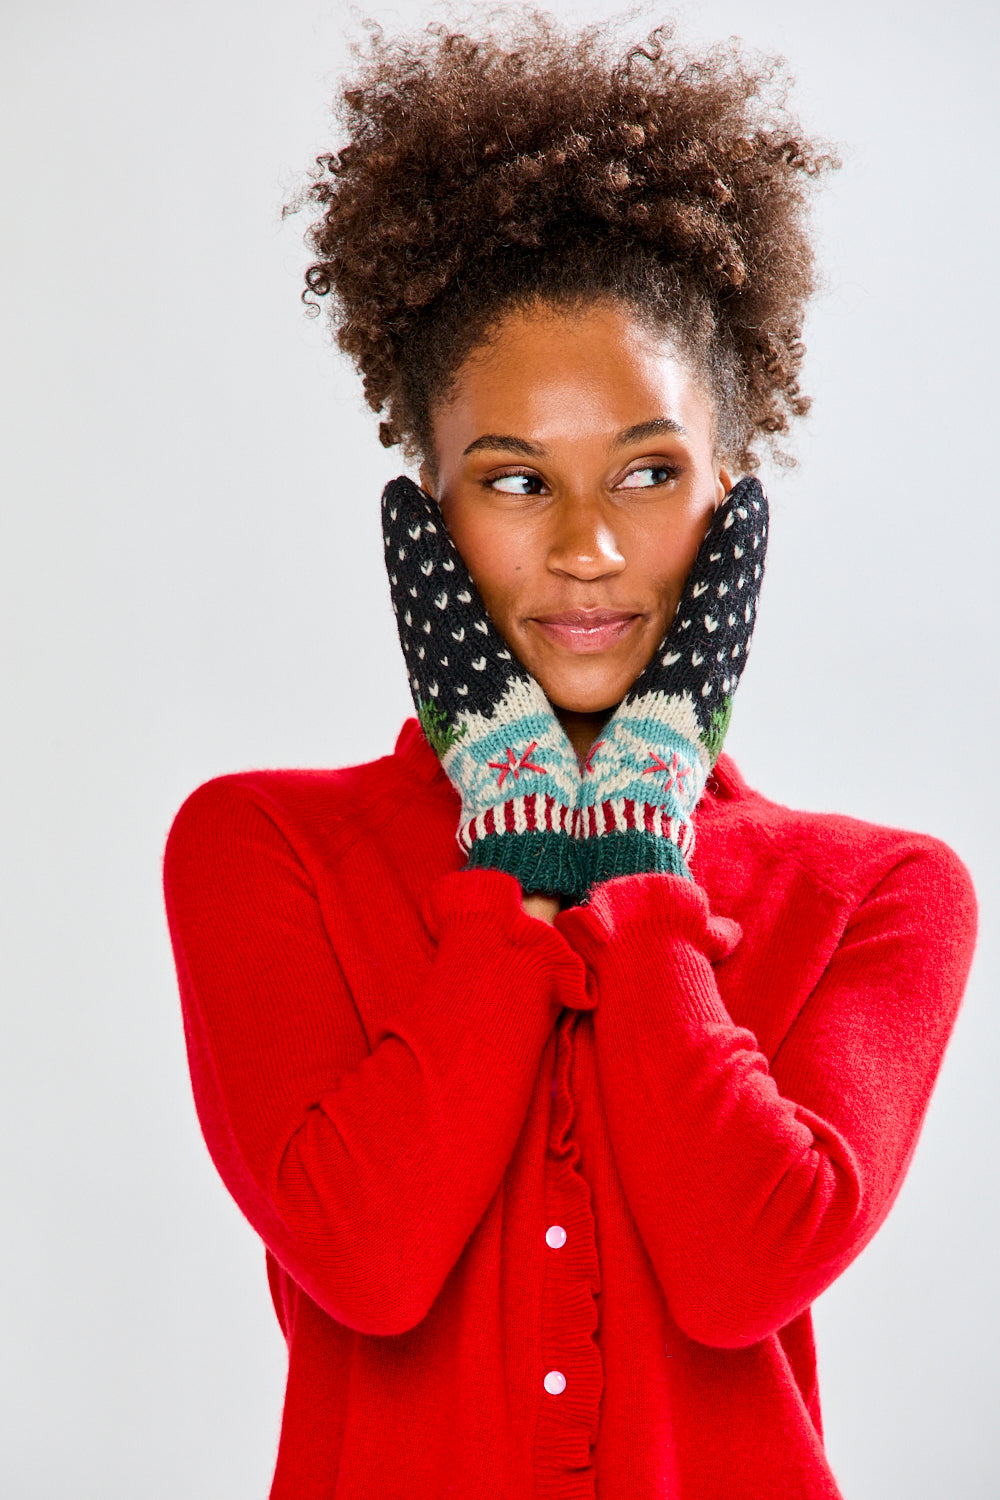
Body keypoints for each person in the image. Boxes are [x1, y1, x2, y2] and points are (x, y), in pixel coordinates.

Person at [162, 15, 978, 1498]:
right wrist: (516, 847)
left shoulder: (882, 894)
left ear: (732, 497)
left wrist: (643, 851)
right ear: (428, 514)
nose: (589, 546)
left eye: (650, 472)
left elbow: (743, 1271)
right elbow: (368, 1261)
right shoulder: (258, 848)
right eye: (515, 480)